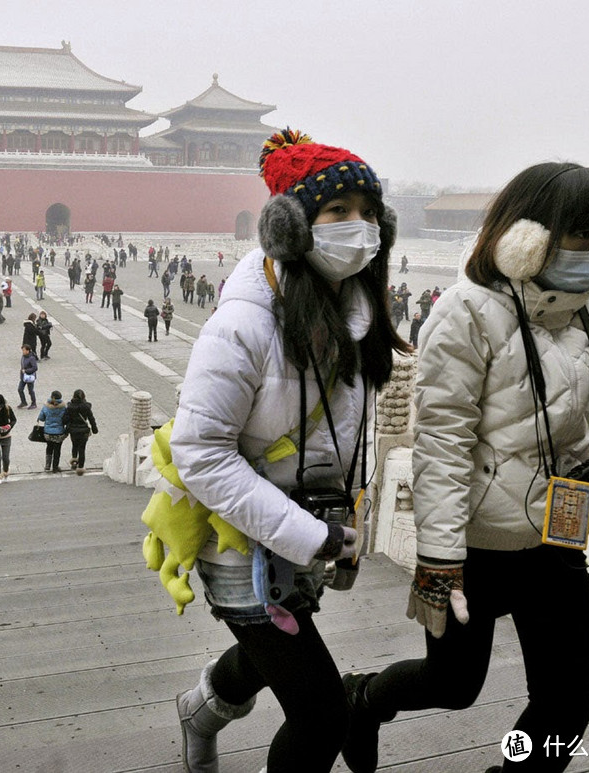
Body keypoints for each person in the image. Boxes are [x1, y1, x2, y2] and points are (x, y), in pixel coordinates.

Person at [342, 162, 589, 773]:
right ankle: (361, 699)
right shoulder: (465, 313)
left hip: (556, 536)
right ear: (527, 237)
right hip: (474, 548)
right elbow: (443, 444)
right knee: (453, 686)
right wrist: (439, 560)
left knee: (568, 707)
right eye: (583, 236)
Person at [169, 130, 408, 772]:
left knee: (269, 647)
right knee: (322, 713)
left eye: (367, 212)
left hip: (308, 533)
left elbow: (340, 438)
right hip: (240, 541)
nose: (356, 227)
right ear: (292, 227)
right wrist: (308, 534)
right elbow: (201, 452)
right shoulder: (242, 325)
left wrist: (337, 525)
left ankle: (203, 709)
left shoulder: (357, 315)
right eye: (338, 212)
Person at [62, 389, 98, 475]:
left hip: (73, 431)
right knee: (82, 449)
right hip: (84, 431)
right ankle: (81, 467)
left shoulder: (70, 407)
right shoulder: (86, 407)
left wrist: (67, 425)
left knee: (74, 445)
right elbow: (91, 418)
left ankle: (74, 462)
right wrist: (94, 429)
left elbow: (65, 419)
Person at [37, 390, 68, 472]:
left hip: (48, 432)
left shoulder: (46, 407)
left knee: (49, 448)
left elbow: (41, 418)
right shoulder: (63, 407)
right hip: (59, 432)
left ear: (51, 397)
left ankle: (47, 465)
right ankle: (55, 467)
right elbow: (66, 419)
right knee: (57, 450)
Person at [17, 345, 38, 409]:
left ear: (28, 351)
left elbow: (35, 368)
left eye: (24, 350)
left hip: (29, 377)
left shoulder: (31, 358)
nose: (23, 351)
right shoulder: (23, 356)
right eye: (22, 350)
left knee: (30, 390)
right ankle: (23, 402)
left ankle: (33, 403)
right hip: (23, 377)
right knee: (20, 389)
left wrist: (26, 371)